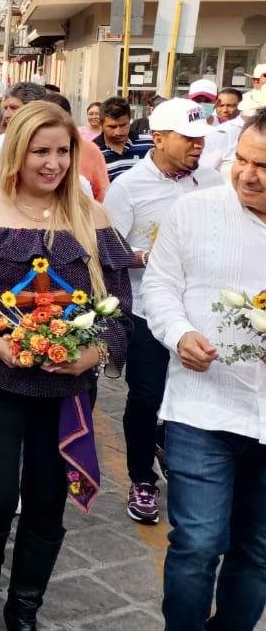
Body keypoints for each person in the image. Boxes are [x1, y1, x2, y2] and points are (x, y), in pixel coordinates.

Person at [0, 101, 132, 631]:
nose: (52, 163)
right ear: (17, 152)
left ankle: (24, 611)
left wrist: (92, 352)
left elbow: (119, 308)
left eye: (63, 151)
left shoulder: (92, 217)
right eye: (40, 151)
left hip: (65, 393)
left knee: (47, 502)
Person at [143, 112, 266, 631]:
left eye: (263, 166)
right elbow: (161, 286)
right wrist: (178, 333)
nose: (247, 175)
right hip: (202, 405)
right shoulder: (195, 211)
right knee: (197, 545)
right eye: (242, 159)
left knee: (257, 553)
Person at [103, 99, 222, 528]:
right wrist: (151, 257)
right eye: (188, 138)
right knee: (147, 396)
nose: (197, 146)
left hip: (201, 312)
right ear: (158, 138)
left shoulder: (212, 182)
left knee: (189, 394)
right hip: (146, 311)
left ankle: (173, 449)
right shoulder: (128, 188)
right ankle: (141, 478)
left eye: (201, 138)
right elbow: (108, 251)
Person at [97, 96, 149, 181]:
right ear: (101, 124)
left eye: (123, 125)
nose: (119, 132)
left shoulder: (149, 143)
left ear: (130, 120)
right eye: (112, 127)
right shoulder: (94, 151)